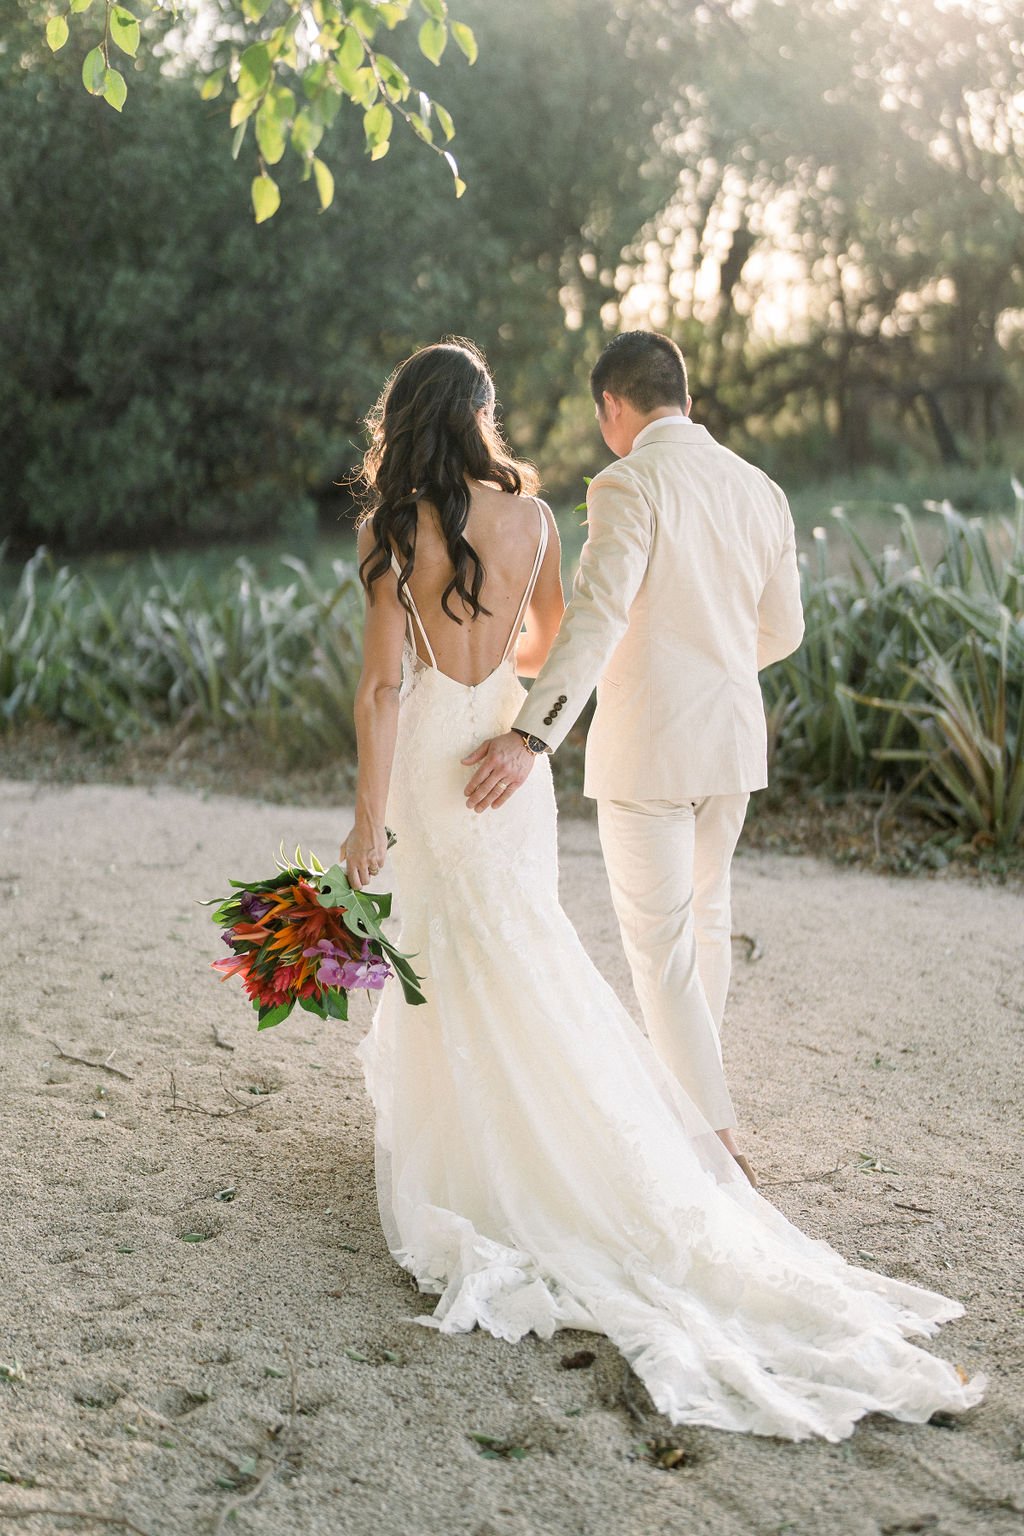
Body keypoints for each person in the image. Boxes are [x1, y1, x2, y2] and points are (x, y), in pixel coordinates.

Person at [340, 337, 984, 1441]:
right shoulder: (580, 512)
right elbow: (574, 638)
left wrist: (392, 804)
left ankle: (671, 1134)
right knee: (585, 940)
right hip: (639, 743)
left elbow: (402, 686)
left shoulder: (424, 524)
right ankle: (680, 1123)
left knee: (543, 949)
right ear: (485, 414)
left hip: (480, 761)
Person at [464, 330, 804, 1188]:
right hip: (731, 740)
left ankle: (712, 1143)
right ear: (681, 394)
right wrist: (712, 664)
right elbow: (785, 629)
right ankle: (701, 1108)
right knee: (704, 925)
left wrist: (533, 732)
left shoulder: (628, 482)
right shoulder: (760, 489)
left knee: (661, 948)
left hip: (652, 745)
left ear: (614, 405)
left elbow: (600, 615)